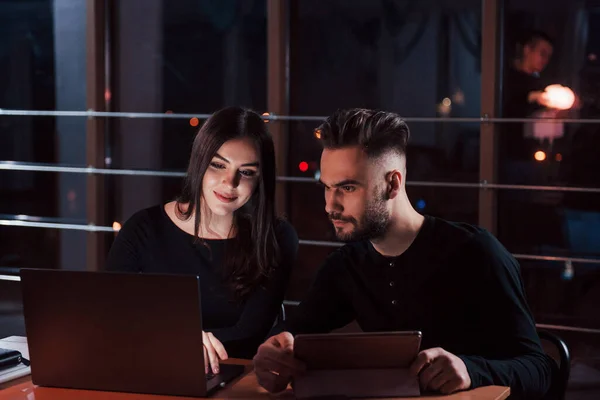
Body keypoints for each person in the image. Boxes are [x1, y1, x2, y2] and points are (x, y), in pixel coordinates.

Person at [253, 109, 554, 399]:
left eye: (347, 187)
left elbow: (539, 370)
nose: (330, 205)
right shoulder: (346, 266)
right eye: (327, 187)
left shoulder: (476, 253)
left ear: (393, 183)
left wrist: (470, 369)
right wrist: (272, 357)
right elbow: (290, 336)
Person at [105, 106, 298, 374]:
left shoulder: (276, 237)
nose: (229, 182)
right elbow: (111, 319)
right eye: (218, 165)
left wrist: (181, 343)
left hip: (236, 378)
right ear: (199, 162)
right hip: (150, 372)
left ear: (260, 179)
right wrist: (181, 343)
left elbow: (251, 332)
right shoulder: (143, 229)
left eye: (247, 172)